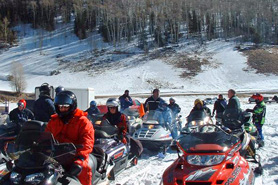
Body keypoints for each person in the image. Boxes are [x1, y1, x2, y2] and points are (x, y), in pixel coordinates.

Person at [45, 91, 94, 185]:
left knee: (83, 170)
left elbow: (87, 143)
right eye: (60, 106)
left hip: (75, 156)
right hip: (56, 157)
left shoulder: (82, 121)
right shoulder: (54, 121)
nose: (62, 109)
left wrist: (80, 159)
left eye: (65, 106)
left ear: (72, 106)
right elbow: (45, 138)